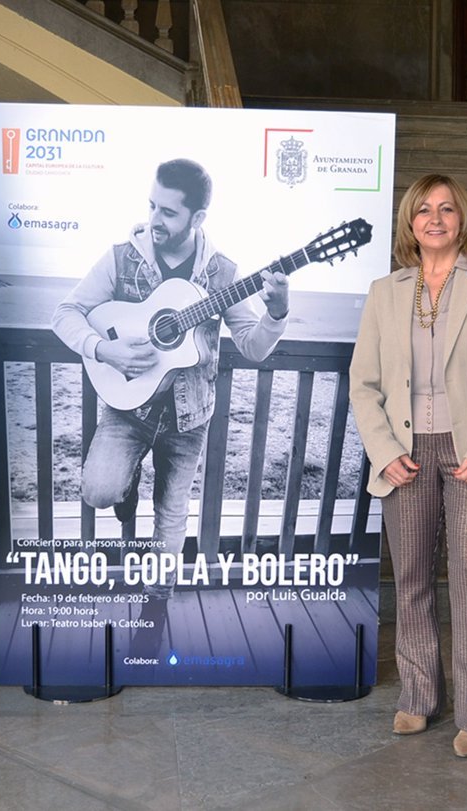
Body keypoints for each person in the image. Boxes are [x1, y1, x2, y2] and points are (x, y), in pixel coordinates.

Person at [51, 159, 289, 639]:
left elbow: (253, 346)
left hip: (188, 416)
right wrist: (104, 348)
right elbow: (66, 312)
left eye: (169, 212)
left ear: (198, 219)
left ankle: (156, 608)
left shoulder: (223, 274)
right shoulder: (121, 257)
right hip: (126, 409)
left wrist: (278, 310)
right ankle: (126, 483)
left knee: (171, 514)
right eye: (152, 206)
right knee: (99, 491)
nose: (155, 220)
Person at [349, 173, 467, 758]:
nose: (435, 218)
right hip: (404, 454)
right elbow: (364, 383)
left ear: (462, 219)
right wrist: (383, 451)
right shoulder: (386, 291)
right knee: (412, 581)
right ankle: (418, 697)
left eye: (447, 209)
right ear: (409, 222)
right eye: (423, 209)